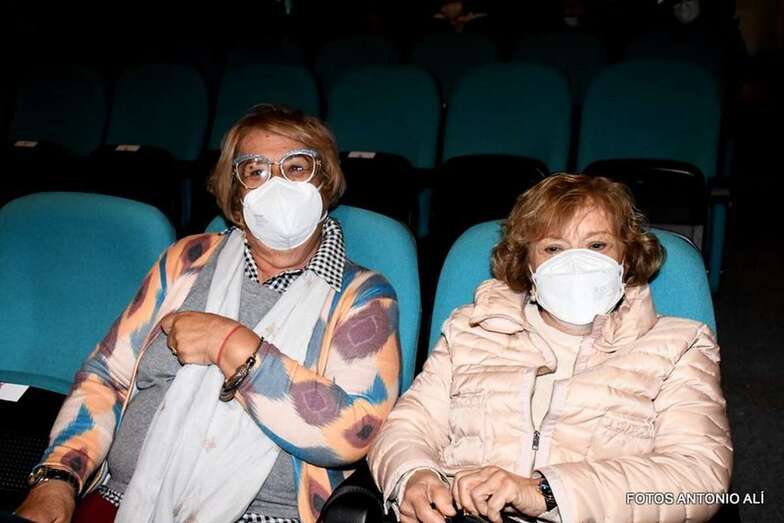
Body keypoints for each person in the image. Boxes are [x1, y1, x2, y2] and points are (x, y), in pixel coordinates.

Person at [15, 104, 401, 523]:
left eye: (295, 168)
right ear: (236, 193)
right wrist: (58, 478)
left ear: (323, 182)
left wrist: (231, 346)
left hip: (264, 516)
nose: (277, 185)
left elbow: (355, 431)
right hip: (123, 498)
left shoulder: (363, 295)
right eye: (255, 171)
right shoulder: (186, 259)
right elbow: (105, 377)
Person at [368, 174, 732, 523]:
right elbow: (409, 426)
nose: (576, 264)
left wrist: (547, 492)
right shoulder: (472, 328)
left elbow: (697, 477)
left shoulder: (679, 344)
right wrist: (413, 475)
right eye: (554, 248)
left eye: (597, 245)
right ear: (527, 262)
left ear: (628, 254)